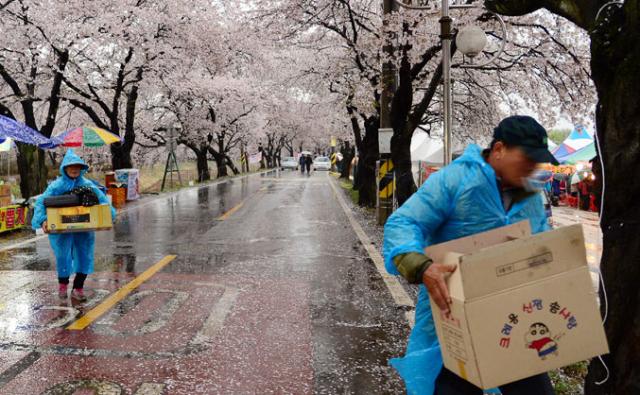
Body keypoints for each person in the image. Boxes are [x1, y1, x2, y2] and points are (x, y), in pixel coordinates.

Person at [383, 116, 559, 395]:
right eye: (527, 158)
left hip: (513, 319)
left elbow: (542, 242)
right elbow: (404, 223)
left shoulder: (531, 195)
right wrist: (422, 267)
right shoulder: (454, 180)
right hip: (454, 317)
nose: (532, 167)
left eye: (537, 161)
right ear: (499, 149)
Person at [31, 149, 116, 301]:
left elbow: (103, 202)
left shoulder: (88, 185)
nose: (74, 169)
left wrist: (108, 217)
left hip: (83, 229)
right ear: (64, 168)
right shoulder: (56, 186)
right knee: (63, 255)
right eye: (71, 166)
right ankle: (63, 286)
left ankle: (78, 288)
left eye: (77, 166)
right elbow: (40, 202)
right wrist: (43, 220)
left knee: (84, 255)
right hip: (61, 230)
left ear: (82, 168)